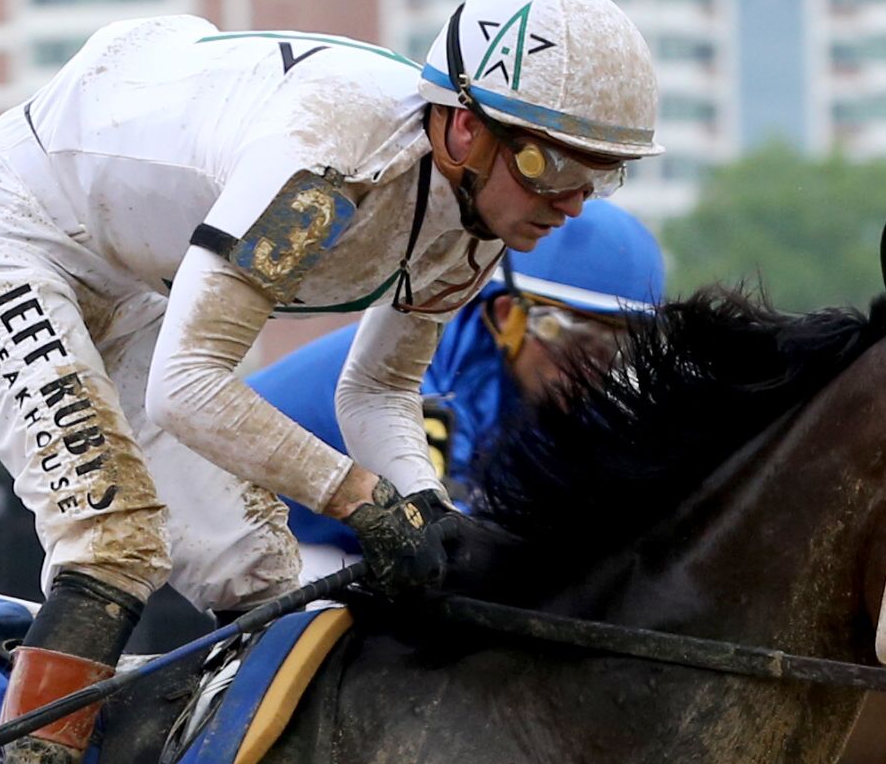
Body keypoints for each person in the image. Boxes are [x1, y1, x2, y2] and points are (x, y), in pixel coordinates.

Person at [0, 0, 662, 764]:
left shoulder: (480, 218)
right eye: (550, 166)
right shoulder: (332, 161)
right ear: (465, 128)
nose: (568, 205)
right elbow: (188, 390)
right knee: (116, 535)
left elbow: (379, 392)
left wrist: (426, 508)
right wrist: (364, 502)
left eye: (598, 177)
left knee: (261, 571)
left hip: (128, 277)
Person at [246, 198, 666, 564]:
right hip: (256, 524)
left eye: (618, 350)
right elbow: (445, 534)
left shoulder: (565, 396)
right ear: (507, 315)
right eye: (578, 342)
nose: (592, 370)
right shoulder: (427, 371)